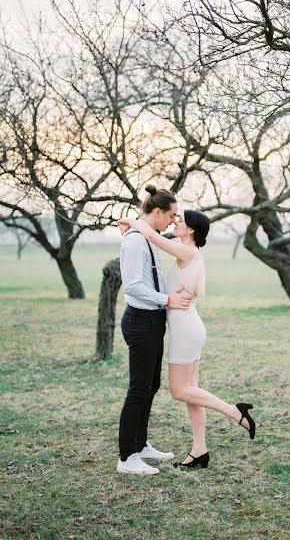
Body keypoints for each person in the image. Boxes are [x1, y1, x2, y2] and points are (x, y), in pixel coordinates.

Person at [118, 189, 256, 470]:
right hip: (186, 325)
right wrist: (132, 223)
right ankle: (199, 450)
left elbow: (154, 236)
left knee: (180, 391)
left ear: (190, 229)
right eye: (171, 216)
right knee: (187, 390)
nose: (173, 222)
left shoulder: (184, 250)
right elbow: (150, 242)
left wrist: (132, 221)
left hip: (184, 328)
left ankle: (234, 411)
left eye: (178, 219)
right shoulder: (182, 249)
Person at [116, 185, 193, 475]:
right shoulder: (135, 242)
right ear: (157, 212)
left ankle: (140, 444)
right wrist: (168, 299)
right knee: (139, 388)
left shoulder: (148, 237)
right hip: (140, 320)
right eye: (172, 215)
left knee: (151, 385)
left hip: (153, 320)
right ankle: (126, 457)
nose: (174, 221)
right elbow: (134, 286)